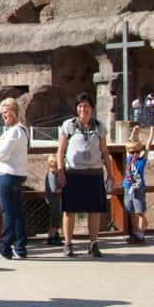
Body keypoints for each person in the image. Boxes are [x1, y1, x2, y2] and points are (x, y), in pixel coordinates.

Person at [57, 93, 114, 258]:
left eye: (87, 106)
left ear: (92, 108)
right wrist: (60, 171)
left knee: (94, 210)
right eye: (80, 106)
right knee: (69, 210)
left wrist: (110, 173)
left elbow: (104, 151)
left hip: (94, 173)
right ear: (77, 108)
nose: (83, 109)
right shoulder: (69, 126)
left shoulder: (99, 127)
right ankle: (68, 244)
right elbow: (60, 150)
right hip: (73, 173)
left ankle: (93, 243)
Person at [0, 97, 29, 260]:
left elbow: (3, 152)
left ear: (15, 112)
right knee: (16, 212)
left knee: (8, 212)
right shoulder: (22, 130)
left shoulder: (15, 131)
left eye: (6, 112)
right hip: (17, 174)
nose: (4, 115)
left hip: (8, 175)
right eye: (2, 113)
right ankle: (20, 248)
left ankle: (4, 248)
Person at [123, 125, 154, 244]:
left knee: (139, 212)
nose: (134, 154)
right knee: (131, 211)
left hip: (138, 188)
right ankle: (135, 233)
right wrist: (134, 132)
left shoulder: (142, 160)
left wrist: (151, 133)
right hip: (128, 187)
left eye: (136, 152)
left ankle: (141, 235)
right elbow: (129, 144)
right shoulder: (128, 158)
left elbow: (148, 146)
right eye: (132, 152)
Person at [44, 157, 64, 246]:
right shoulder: (51, 174)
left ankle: (55, 235)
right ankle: (51, 237)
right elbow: (53, 189)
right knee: (54, 219)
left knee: (56, 218)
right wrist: (64, 189)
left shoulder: (55, 174)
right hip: (53, 199)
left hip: (56, 199)